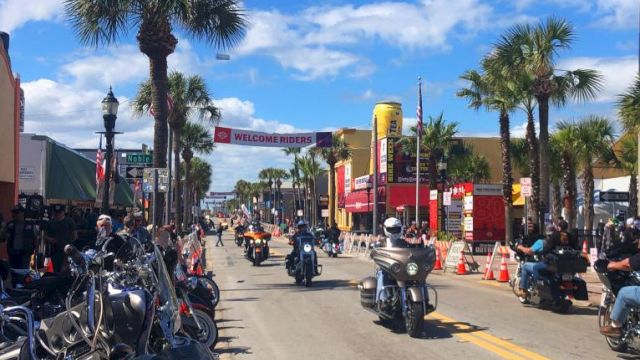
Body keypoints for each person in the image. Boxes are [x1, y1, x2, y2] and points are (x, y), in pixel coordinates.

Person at [515, 220, 579, 298]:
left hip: (554, 263)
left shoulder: (552, 237)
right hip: (568, 265)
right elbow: (578, 249)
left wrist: (519, 247)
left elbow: (544, 250)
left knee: (526, 266)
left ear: (558, 227)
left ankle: (523, 291)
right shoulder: (572, 237)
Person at [3, 206, 37, 278]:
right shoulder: (10, 225)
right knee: (13, 274)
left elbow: (35, 238)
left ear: (22, 213)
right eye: (13, 213)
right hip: (13, 254)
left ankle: (22, 287)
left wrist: (35, 253)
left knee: (23, 275)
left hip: (25, 254)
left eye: (16, 213)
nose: (14, 215)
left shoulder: (30, 225)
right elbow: (4, 237)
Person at [44, 205, 77, 273]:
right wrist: (51, 239)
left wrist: (68, 243)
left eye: (59, 212)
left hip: (67, 252)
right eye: (56, 213)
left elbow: (75, 236)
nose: (57, 214)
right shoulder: (50, 222)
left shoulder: (69, 221)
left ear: (63, 212)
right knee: (56, 270)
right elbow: (45, 236)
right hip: (55, 251)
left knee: (66, 270)